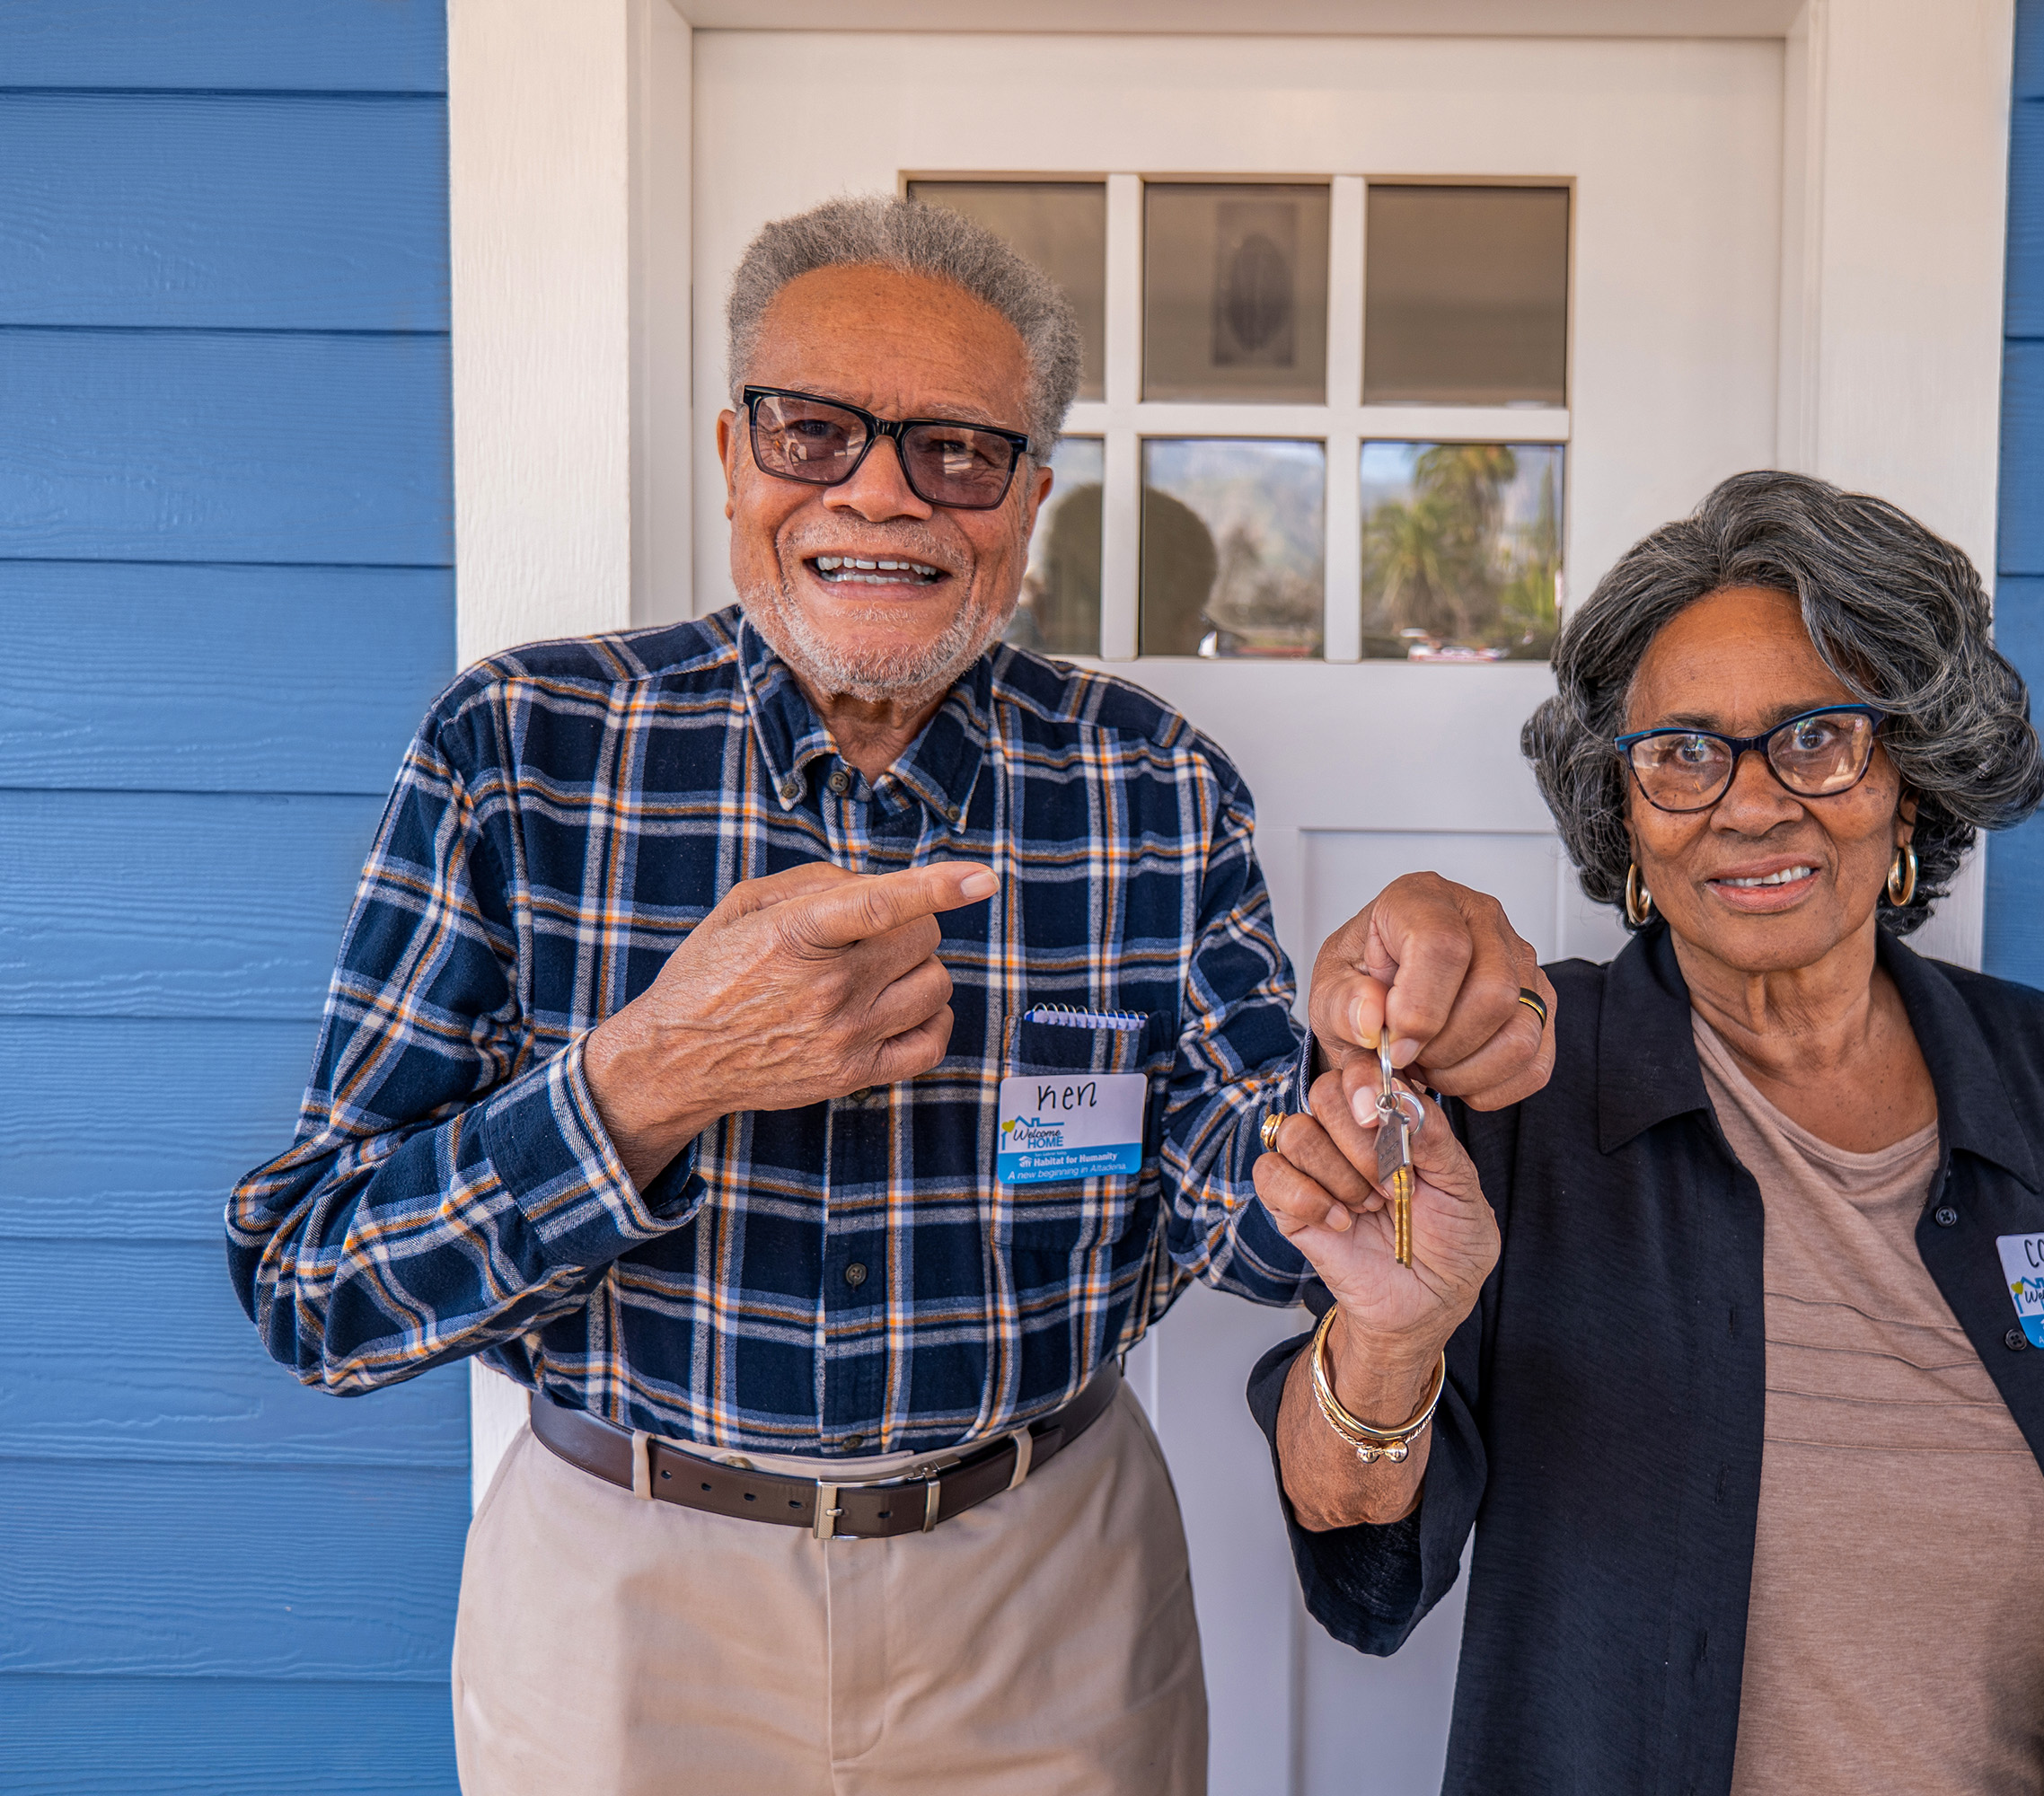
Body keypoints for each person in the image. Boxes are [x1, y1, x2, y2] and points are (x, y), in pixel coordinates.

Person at [227, 195, 1552, 1795]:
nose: (877, 491)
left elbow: (1249, 1211)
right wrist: (659, 1072)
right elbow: (319, 1289)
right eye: (814, 432)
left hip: (1049, 1586)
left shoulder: (1148, 781)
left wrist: (1374, 1094)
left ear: (1028, 502)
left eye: (957, 451)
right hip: (625, 1597)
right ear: (735, 457)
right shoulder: (520, 749)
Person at [1248, 471, 2044, 1796]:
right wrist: (1392, 1340)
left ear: (1908, 779)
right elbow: (1353, 1538)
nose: (1751, 805)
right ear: (1626, 811)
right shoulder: (1520, 1090)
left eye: (1818, 736)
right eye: (1683, 753)